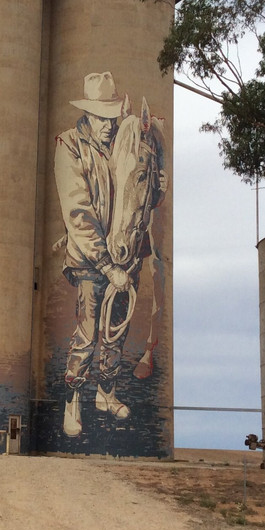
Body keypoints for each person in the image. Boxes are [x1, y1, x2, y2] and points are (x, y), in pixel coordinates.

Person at [54, 72, 161, 437]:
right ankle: (72, 401)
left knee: (116, 330)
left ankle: (106, 393)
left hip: (125, 255)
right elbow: (77, 212)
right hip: (89, 260)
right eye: (100, 117)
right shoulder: (69, 146)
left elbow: (138, 190)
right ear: (87, 114)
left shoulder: (125, 140)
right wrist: (104, 263)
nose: (106, 125)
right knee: (86, 333)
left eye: (110, 117)